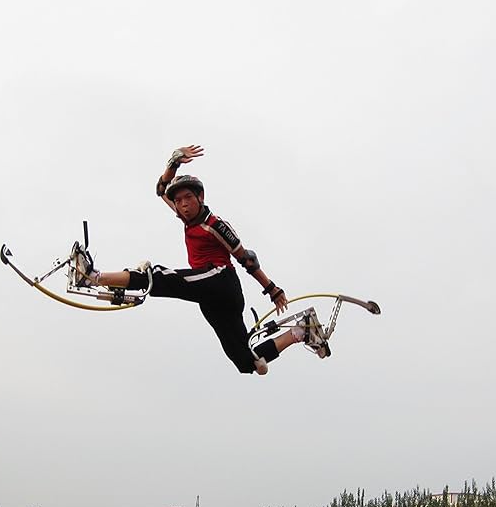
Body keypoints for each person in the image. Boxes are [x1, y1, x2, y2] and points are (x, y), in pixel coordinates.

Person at [77, 144, 329, 375]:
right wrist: (174, 161)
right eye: (178, 201)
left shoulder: (215, 225)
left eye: (188, 198)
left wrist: (271, 288)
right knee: (245, 361)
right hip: (210, 297)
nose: (183, 205)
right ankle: (301, 331)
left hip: (221, 282)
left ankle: (93, 276)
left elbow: (246, 259)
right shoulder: (184, 216)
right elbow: (160, 189)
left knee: (160, 278)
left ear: (200, 198)